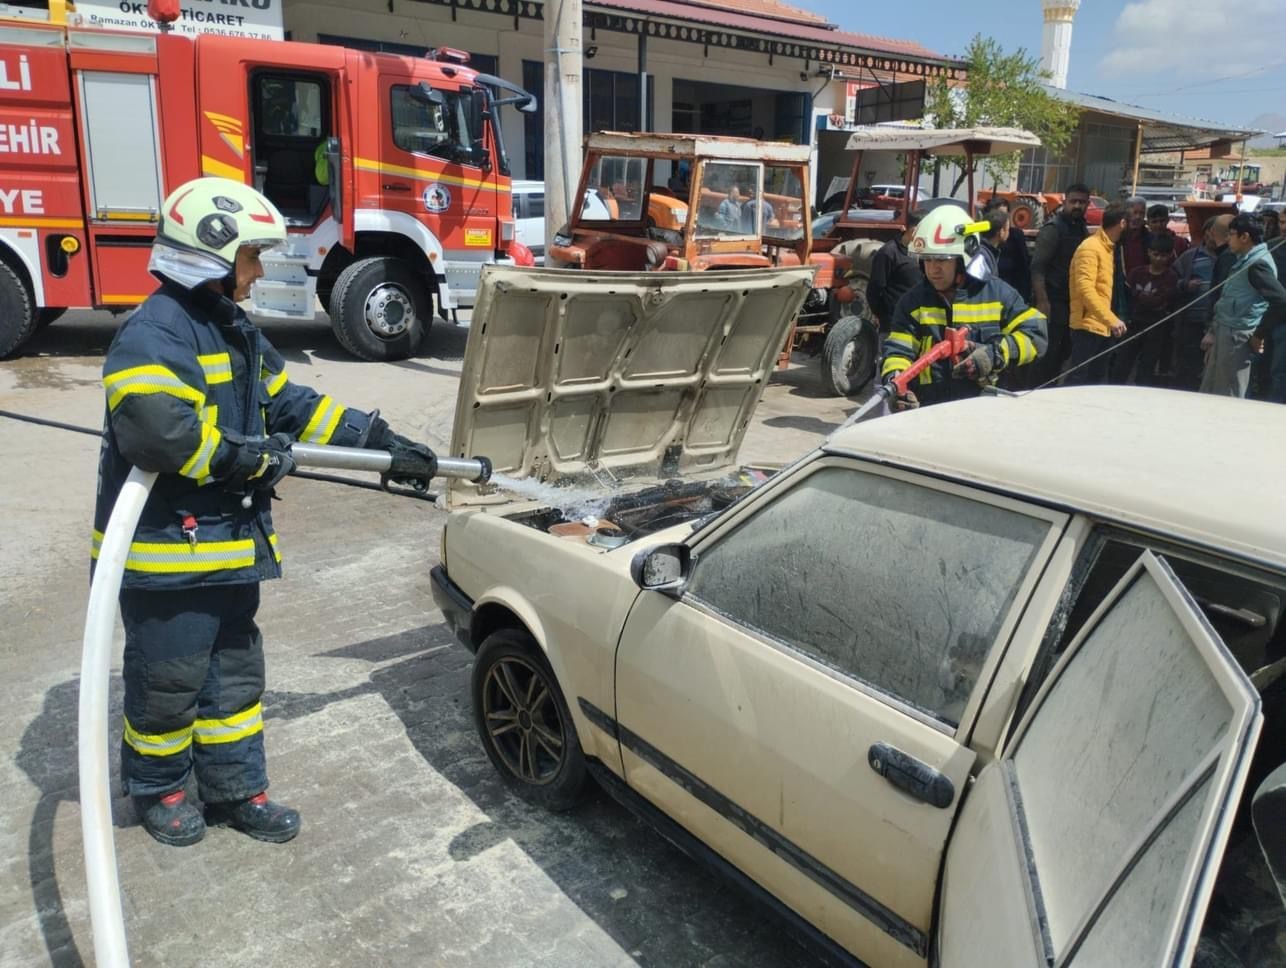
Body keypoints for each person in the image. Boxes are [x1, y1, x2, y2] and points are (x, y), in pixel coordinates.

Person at [95, 177, 437, 847]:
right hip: (168, 558)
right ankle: (158, 790)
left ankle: (233, 792)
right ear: (212, 256)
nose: (257, 271)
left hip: (227, 551)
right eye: (251, 257)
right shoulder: (154, 332)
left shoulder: (234, 328)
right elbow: (155, 432)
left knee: (233, 681)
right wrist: (247, 460)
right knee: (169, 682)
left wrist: (376, 439)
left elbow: (290, 404)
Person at [881, 204, 1047, 408]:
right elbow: (898, 352)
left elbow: (1037, 335)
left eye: (943, 260)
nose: (933, 269)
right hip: (928, 411)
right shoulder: (912, 303)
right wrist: (897, 383)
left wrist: (995, 354)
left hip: (982, 410)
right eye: (927, 259)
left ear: (963, 259)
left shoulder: (998, 295)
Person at [1200, 213, 1286, 398]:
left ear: (1244, 237)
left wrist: (1259, 334)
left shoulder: (1257, 265)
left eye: (1231, 234)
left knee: (1229, 392)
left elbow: (1281, 301)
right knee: (1212, 389)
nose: (1228, 239)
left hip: (1237, 337)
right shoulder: (1244, 260)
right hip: (1225, 331)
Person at [1030, 182, 1090, 384]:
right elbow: (1037, 267)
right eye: (1073, 201)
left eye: (1082, 202)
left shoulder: (1081, 228)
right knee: (1048, 354)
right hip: (1052, 300)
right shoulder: (1054, 229)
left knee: (1064, 352)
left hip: (1071, 302)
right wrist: (1042, 301)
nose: (1077, 206)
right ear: (1065, 201)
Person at [1065, 202, 1129, 386]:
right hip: (1087, 327)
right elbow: (1085, 289)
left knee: (1097, 380)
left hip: (1101, 326)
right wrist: (1111, 319)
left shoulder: (1108, 248)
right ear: (1122, 223)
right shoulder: (1090, 248)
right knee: (1078, 379)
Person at [1114, 233, 1179, 386]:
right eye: (1155, 254)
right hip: (1133, 325)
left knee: (1146, 369)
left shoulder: (1171, 277)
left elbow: (1158, 301)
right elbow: (1127, 299)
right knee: (1121, 366)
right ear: (1149, 252)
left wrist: (1138, 295)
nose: (1158, 259)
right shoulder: (1136, 273)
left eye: (1163, 256)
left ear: (1169, 255)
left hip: (1155, 328)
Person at [1171, 218, 1221, 391]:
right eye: (1211, 232)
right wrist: (1185, 285)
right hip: (1192, 320)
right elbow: (1171, 281)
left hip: (1216, 323)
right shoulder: (1191, 256)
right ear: (1207, 233)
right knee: (1188, 364)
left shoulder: (1227, 257)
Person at [865, 209, 924, 331]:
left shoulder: (925, 253)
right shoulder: (888, 253)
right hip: (894, 325)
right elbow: (874, 289)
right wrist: (884, 316)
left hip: (919, 323)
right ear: (914, 231)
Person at [981, 197, 1032, 301]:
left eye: (1005, 216)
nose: (1002, 221)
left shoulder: (1016, 237)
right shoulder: (978, 242)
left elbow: (1024, 270)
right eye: (997, 216)